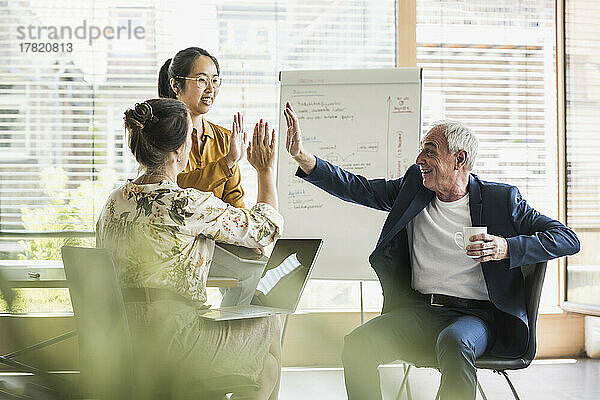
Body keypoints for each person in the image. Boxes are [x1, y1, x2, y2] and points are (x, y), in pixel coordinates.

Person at [282, 102, 580, 400]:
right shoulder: (415, 189)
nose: (419, 158)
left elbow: (567, 238)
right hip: (420, 312)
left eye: (430, 151)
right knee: (359, 343)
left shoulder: (500, 200)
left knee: (454, 343)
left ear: (459, 159)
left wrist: (506, 247)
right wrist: (301, 156)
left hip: (475, 319)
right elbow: (359, 188)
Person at [96, 98, 282, 400]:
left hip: (121, 341)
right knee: (269, 351)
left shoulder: (113, 202)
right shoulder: (186, 203)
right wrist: (264, 171)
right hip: (174, 342)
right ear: (178, 150)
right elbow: (265, 229)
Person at [158, 47, 262, 307]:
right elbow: (177, 192)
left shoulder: (225, 137)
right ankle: (230, 335)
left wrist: (248, 236)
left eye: (215, 80)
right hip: (182, 241)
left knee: (260, 276)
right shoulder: (164, 136)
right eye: (202, 80)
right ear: (176, 84)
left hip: (218, 239)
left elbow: (234, 196)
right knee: (252, 276)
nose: (210, 89)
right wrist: (226, 162)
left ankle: (237, 337)